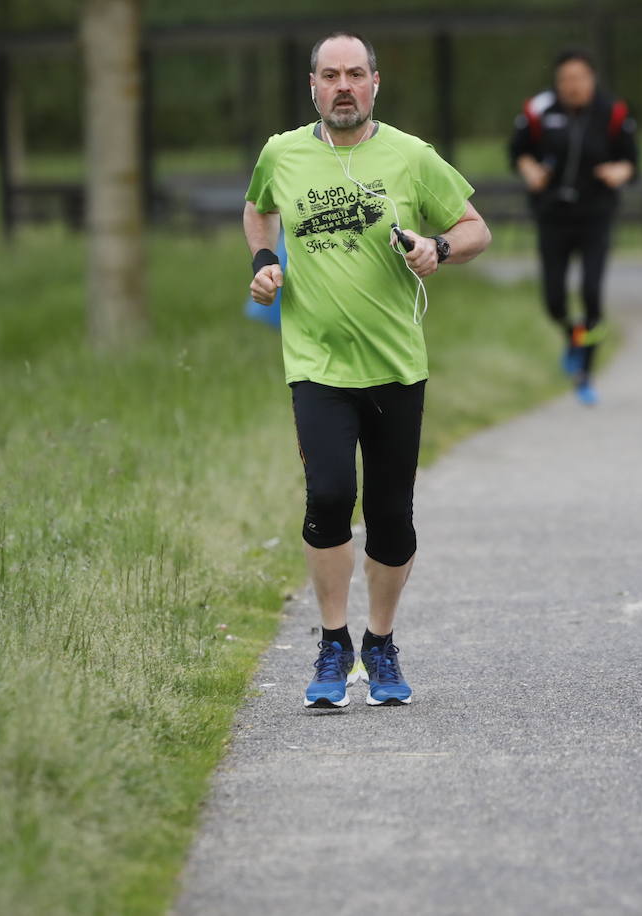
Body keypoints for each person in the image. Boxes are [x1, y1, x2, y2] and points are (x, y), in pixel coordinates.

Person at [244, 31, 490, 709]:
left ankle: (379, 642)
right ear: (314, 87)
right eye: (331, 75)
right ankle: (332, 642)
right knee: (326, 497)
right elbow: (258, 207)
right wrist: (263, 262)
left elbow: (476, 229)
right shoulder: (281, 153)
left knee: (390, 517)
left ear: (375, 83)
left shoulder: (411, 157)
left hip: (394, 365)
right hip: (316, 363)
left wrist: (437, 247)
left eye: (356, 74)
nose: (343, 85)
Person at [509, 49, 639, 406]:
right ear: (557, 82)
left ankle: (585, 371)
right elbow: (518, 151)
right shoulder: (539, 111)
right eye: (565, 79)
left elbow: (632, 161)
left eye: (579, 78)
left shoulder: (613, 113)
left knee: (592, 292)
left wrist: (619, 172)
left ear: (592, 79)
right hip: (553, 215)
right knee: (554, 299)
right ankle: (572, 333)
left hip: (596, 215)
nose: (572, 86)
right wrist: (530, 170)